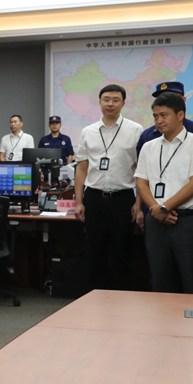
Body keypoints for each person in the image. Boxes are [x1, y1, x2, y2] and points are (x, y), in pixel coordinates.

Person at [135, 92, 193, 294]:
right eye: (155, 116)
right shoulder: (149, 146)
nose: (158, 121)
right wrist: (155, 209)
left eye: (164, 115)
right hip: (156, 221)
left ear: (180, 115)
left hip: (189, 221)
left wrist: (163, 207)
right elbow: (141, 182)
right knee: (160, 281)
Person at [74, 84, 143, 291]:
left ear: (123, 103)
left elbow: (142, 170)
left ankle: (123, 297)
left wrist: (138, 203)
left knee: (123, 252)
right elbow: (81, 168)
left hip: (123, 199)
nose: (110, 104)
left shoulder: (136, 130)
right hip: (94, 199)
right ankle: (97, 297)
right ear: (100, 102)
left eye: (115, 100)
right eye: (106, 99)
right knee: (95, 252)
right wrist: (79, 202)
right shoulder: (88, 132)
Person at [136, 82, 193, 155]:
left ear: (183, 100)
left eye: (171, 98)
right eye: (161, 98)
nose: (165, 102)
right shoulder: (147, 136)